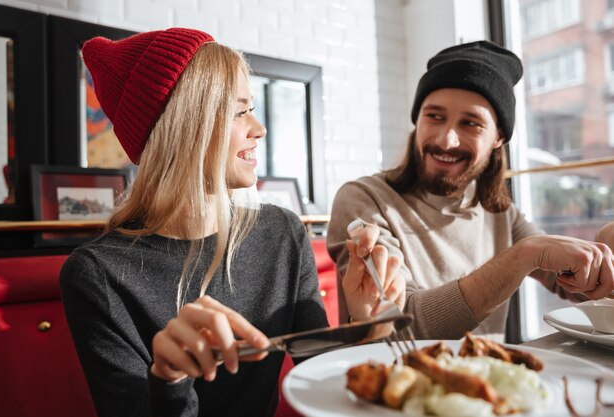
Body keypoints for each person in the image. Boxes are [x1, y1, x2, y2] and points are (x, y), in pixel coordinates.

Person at [59, 28, 405, 417]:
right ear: (184, 125)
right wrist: (169, 377)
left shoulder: (283, 234)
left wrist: (364, 320)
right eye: (240, 111)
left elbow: (323, 382)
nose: (259, 129)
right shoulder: (97, 274)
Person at [327, 40, 614, 343]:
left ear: (498, 138)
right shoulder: (364, 200)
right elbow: (398, 327)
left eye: (470, 123)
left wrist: (604, 255)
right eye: (434, 116)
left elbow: (575, 283)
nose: (446, 140)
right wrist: (521, 258)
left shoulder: (502, 214)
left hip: (487, 386)